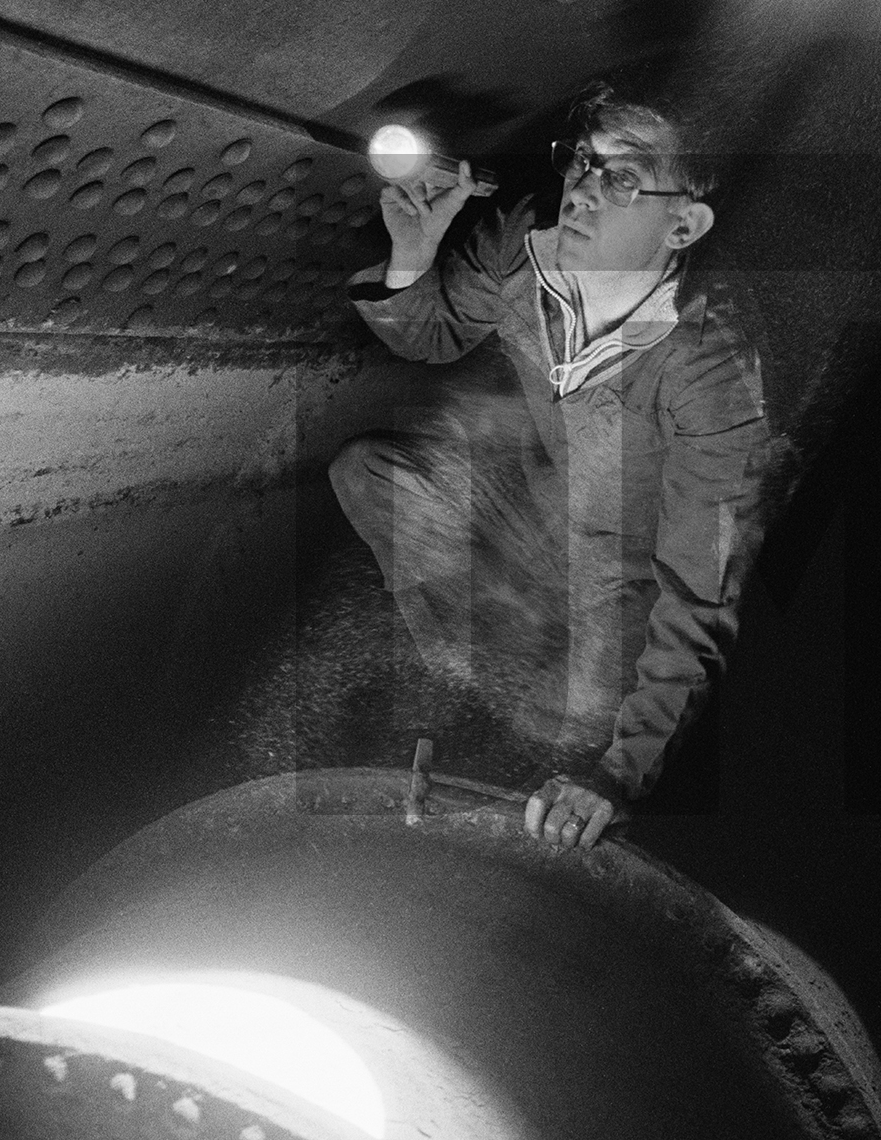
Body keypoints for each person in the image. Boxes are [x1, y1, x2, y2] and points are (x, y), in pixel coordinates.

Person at [330, 79, 770, 851]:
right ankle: (467, 669)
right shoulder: (518, 249)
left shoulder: (710, 368)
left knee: (574, 734)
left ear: (683, 224)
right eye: (582, 164)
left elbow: (700, 587)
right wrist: (412, 258)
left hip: (625, 567)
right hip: (537, 507)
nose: (584, 190)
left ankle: (547, 701)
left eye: (622, 176)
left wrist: (618, 773)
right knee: (370, 475)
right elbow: (433, 337)